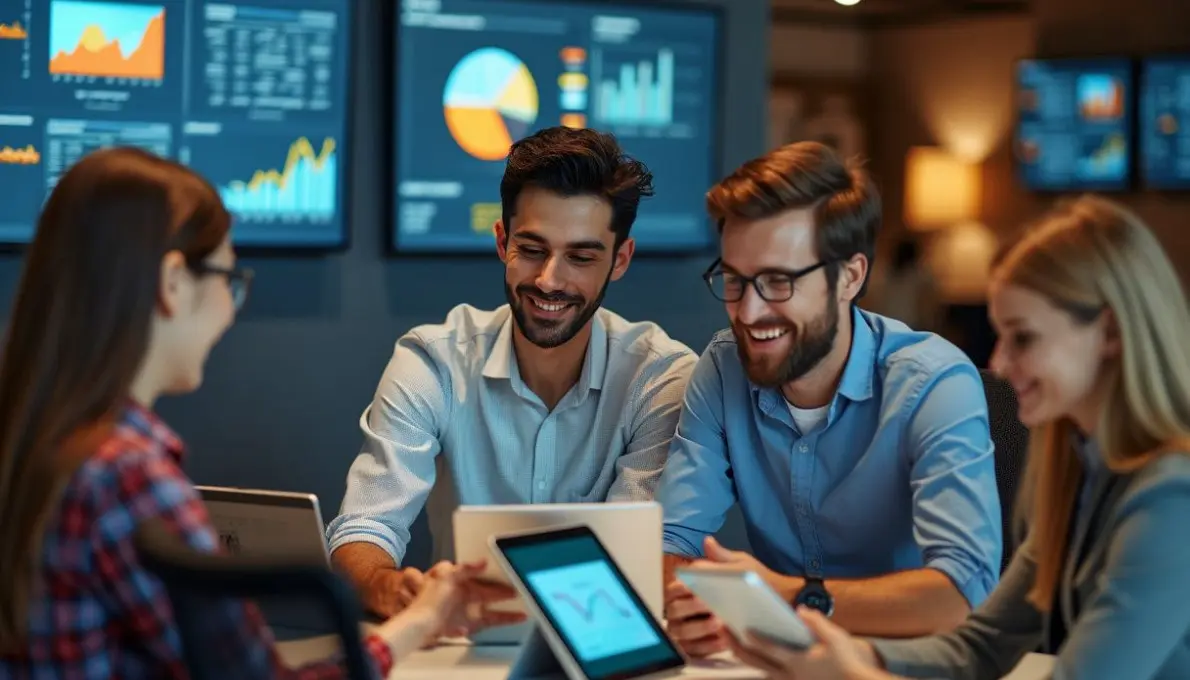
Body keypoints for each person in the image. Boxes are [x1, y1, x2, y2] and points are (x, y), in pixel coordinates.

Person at [0, 148, 519, 679]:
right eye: (228, 277)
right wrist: (421, 621)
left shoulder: (34, 444)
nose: (230, 307)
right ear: (172, 282)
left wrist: (418, 621)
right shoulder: (130, 478)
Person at [722, 195, 1190, 680]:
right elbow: (979, 648)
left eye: (1023, 338)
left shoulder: (1172, 498)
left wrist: (851, 675)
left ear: (1109, 332)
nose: (1000, 364)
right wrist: (850, 656)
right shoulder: (1077, 477)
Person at [328, 127, 698, 617]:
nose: (549, 280)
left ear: (620, 260)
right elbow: (367, 524)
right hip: (456, 642)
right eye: (533, 249)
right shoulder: (433, 361)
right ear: (503, 242)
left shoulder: (660, 378)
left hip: (601, 639)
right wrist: (383, 586)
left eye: (581, 257)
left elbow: (631, 558)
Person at [658, 141, 1002, 656]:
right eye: (734, 280)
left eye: (778, 281)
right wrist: (692, 606)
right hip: (780, 660)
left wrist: (790, 598)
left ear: (850, 276)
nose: (748, 312)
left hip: (906, 664)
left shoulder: (934, 381)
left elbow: (961, 594)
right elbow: (671, 542)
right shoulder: (723, 368)